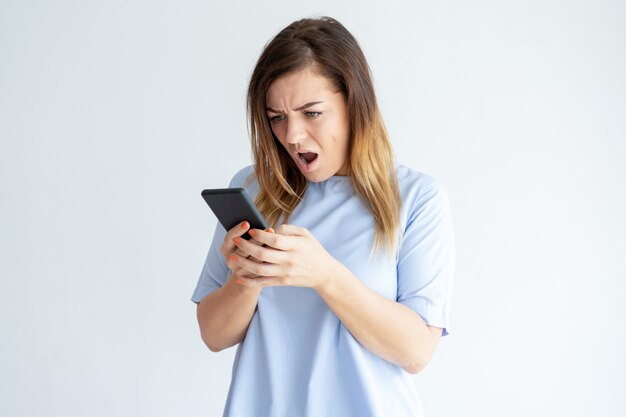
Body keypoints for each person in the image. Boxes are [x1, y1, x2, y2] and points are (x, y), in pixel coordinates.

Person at [191, 16, 455, 417]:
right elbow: (213, 333)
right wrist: (246, 275)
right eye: (277, 117)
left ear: (354, 102)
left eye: (311, 113)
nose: (292, 135)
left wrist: (324, 275)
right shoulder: (253, 188)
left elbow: (416, 351)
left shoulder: (415, 198)